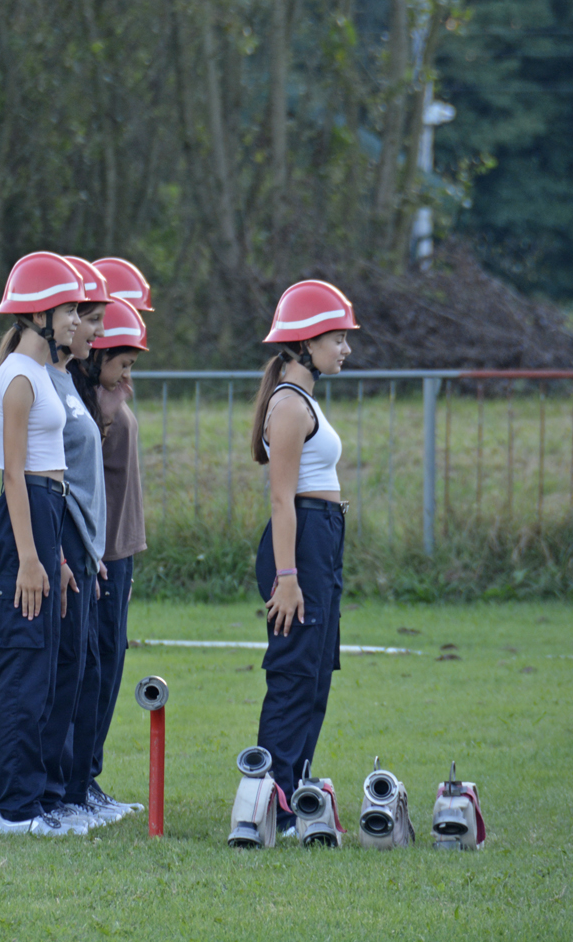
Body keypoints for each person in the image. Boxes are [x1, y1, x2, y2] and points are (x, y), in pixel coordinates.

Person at [249, 279, 357, 840]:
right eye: (337, 338)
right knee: (293, 674)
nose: (345, 349)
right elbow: (281, 499)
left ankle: (296, 792)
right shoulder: (289, 405)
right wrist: (288, 577)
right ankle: (272, 804)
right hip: (301, 542)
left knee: (315, 674)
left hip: (321, 537)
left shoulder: (303, 399)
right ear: (307, 342)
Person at [0, 252, 85, 836]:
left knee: (45, 668)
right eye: (68, 309)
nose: (75, 319)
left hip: (48, 515)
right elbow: (14, 475)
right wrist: (28, 557)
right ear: (39, 314)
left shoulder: (39, 372)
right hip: (27, 515)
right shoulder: (19, 376)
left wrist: (58, 558)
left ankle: (34, 801)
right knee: (25, 669)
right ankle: (16, 811)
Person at [34, 256, 110, 830]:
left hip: (82, 545)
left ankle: (70, 791)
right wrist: (58, 552)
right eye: (81, 315)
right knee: (59, 672)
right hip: (61, 537)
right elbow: (38, 477)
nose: (88, 328)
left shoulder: (67, 381)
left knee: (81, 668)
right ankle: (51, 793)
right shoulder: (39, 379)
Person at [82, 295, 150, 820]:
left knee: (109, 665)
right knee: (95, 670)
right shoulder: (90, 406)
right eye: (122, 363)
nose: (127, 376)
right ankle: (79, 778)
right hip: (99, 554)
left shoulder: (110, 397)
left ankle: (88, 775)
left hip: (118, 552)